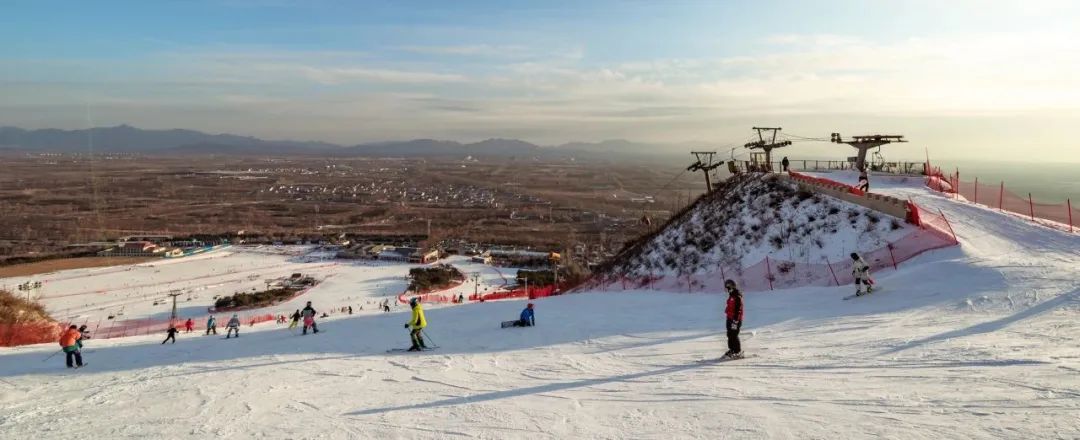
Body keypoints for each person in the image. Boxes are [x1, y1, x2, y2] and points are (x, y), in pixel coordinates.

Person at [723, 279, 744, 359]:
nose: (727, 290)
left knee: (734, 335)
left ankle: (737, 352)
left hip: (735, 319)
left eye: (728, 287)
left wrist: (735, 320)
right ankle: (732, 350)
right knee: (730, 334)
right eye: (727, 288)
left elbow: (738, 309)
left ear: (732, 286)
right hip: (730, 318)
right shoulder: (731, 295)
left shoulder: (737, 296)